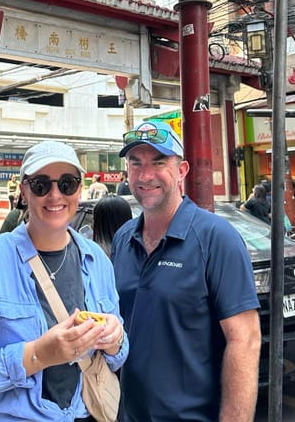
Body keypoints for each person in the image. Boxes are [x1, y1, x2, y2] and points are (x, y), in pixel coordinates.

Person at [0, 140, 128, 421]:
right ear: (24, 191)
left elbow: (119, 354)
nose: (54, 195)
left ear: (79, 188)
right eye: (41, 184)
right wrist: (38, 354)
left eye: (67, 183)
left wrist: (115, 339)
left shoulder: (96, 259)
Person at [112, 120, 261, 422]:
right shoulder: (123, 238)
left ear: (182, 171)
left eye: (158, 162)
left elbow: (245, 340)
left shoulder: (216, 238)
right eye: (135, 163)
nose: (145, 175)